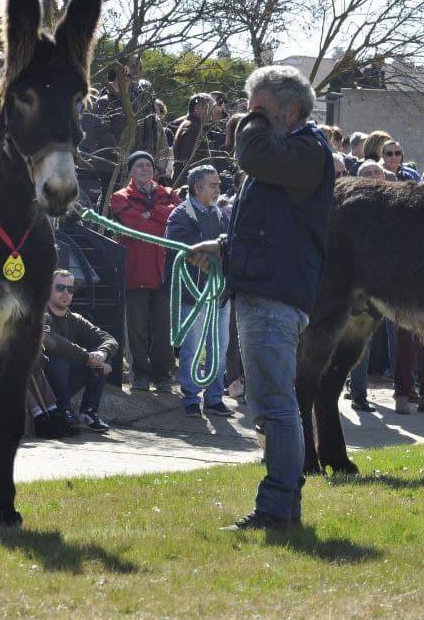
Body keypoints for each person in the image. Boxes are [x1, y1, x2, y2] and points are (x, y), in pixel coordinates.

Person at [187, 65, 334, 530]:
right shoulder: (287, 155)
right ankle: (283, 506)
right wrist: (225, 246)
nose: (249, 119)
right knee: (271, 404)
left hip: (275, 295)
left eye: (260, 111)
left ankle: (275, 508)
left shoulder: (306, 151)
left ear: (291, 111)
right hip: (266, 287)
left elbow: (250, 156)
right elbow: (273, 226)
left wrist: (248, 124)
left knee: (274, 405)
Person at [166, 165, 234, 417]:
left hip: (219, 295)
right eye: (213, 185)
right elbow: (176, 249)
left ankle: (214, 399)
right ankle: (190, 398)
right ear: (198, 187)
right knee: (191, 347)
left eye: (218, 184)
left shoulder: (223, 216)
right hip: (192, 295)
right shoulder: (180, 216)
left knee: (219, 347)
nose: (218, 190)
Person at [110, 150, 180, 392]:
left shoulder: (170, 194)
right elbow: (134, 224)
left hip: (162, 271)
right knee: (137, 328)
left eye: (148, 165)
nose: (144, 169)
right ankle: (140, 374)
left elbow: (175, 218)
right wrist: (156, 218)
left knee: (162, 328)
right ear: (130, 171)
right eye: (139, 166)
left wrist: (151, 214)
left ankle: (163, 376)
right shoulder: (119, 197)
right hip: (135, 271)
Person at [41, 269, 119, 432]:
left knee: (101, 353)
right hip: (43, 384)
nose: (66, 293)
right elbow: (52, 342)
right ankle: (63, 408)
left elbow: (109, 339)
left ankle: (89, 412)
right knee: (59, 357)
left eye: (70, 289)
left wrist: (101, 354)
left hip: (66, 380)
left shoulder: (75, 318)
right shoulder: (40, 315)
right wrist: (87, 357)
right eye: (60, 287)